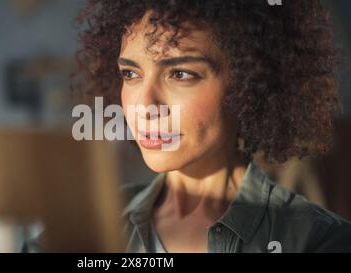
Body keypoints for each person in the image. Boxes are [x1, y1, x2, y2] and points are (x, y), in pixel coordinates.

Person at [24, 0, 351, 253]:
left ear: (250, 86)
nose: (144, 106)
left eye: (180, 74)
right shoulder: (86, 231)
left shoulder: (320, 241)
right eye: (131, 74)